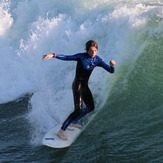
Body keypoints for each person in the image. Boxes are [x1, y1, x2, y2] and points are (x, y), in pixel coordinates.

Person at [42, 40, 116, 140]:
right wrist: (54, 55)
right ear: (87, 50)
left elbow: (111, 71)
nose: (93, 52)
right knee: (78, 110)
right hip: (77, 86)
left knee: (90, 107)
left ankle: (73, 122)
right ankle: (61, 131)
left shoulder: (97, 60)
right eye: (90, 50)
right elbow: (66, 57)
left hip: (85, 86)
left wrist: (112, 65)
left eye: (94, 50)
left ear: (97, 50)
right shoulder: (81, 57)